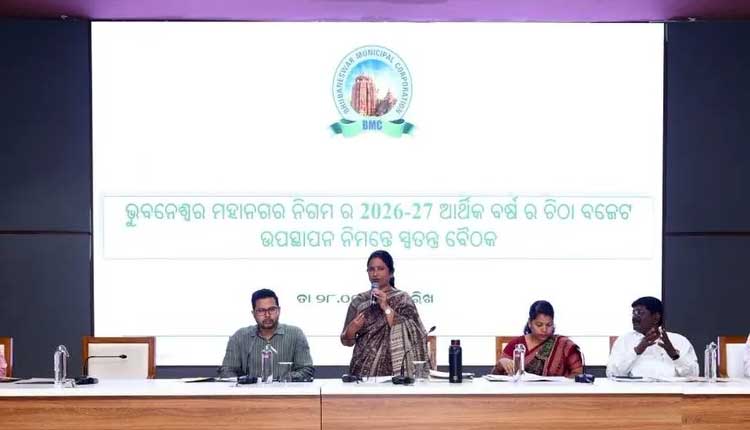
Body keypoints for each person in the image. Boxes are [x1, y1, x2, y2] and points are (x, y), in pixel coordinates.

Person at [341, 250, 430, 377]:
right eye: (371, 269)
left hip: (395, 373)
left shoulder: (403, 299)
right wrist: (351, 330)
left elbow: (415, 333)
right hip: (361, 373)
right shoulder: (359, 301)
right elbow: (346, 342)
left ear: (391, 273)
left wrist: (386, 307)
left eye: (380, 269)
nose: (375, 273)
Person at [221, 288, 314, 381]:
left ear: (278, 310)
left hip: (286, 389)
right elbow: (227, 371)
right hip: (249, 389)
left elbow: (306, 370)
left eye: (272, 309)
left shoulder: (295, 334)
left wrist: (283, 381)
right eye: (261, 310)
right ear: (253, 313)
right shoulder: (239, 337)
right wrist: (245, 382)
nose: (267, 315)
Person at [606, 296, 698, 378]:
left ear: (656, 317)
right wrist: (637, 350)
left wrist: (674, 354)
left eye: (639, 312)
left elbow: (693, 375)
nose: (634, 317)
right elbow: (612, 373)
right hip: (635, 391)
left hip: (671, 390)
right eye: (633, 313)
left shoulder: (679, 340)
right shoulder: (624, 340)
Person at [491, 300, 583, 377]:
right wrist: (501, 363)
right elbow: (495, 378)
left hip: (555, 392)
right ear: (530, 323)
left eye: (549, 325)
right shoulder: (516, 345)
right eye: (539, 325)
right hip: (520, 393)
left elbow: (578, 374)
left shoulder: (564, 345)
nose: (544, 329)